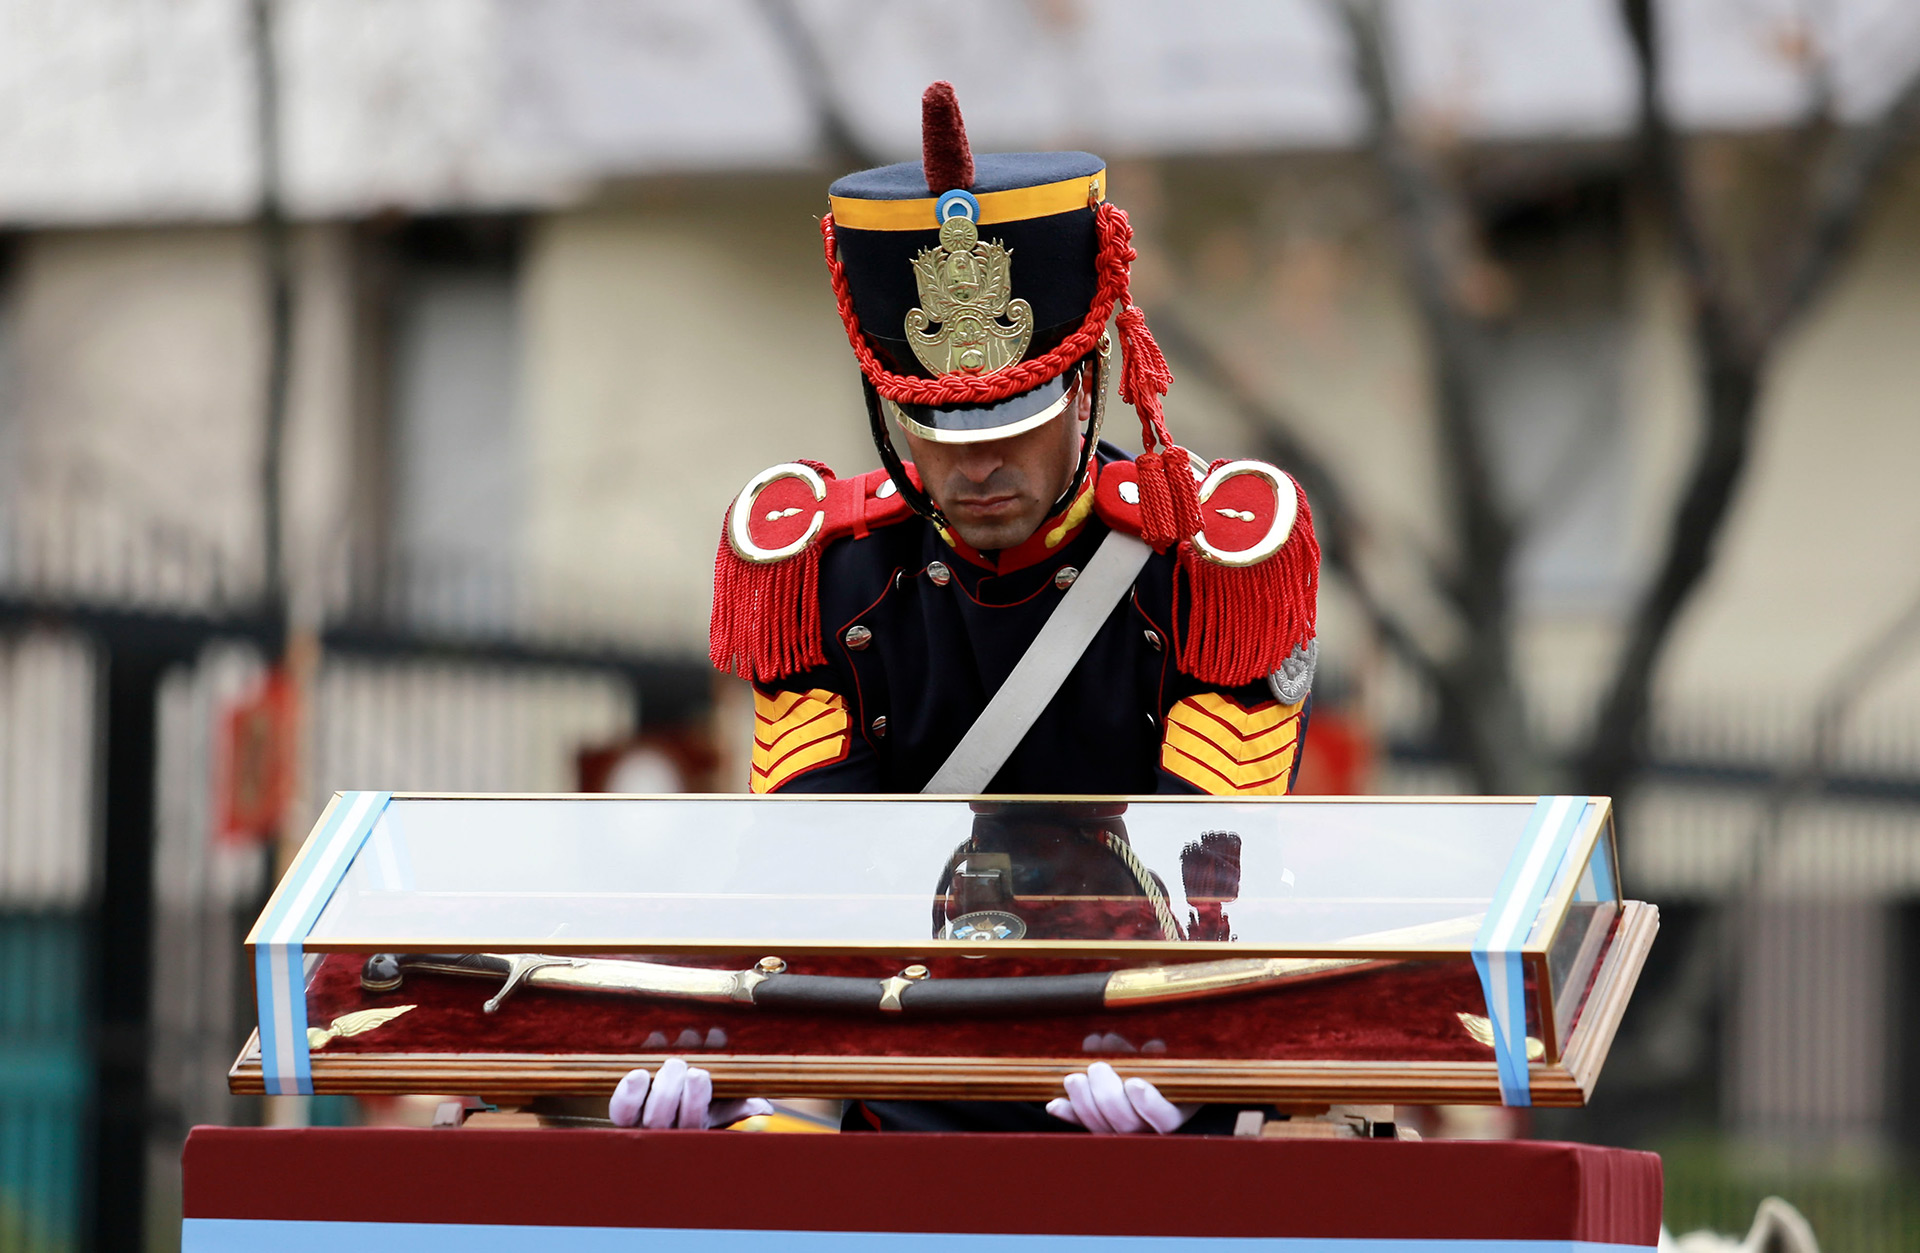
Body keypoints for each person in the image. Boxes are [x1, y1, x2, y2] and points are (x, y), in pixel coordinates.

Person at [614, 82, 1321, 1133]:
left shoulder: (1205, 566)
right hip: (901, 1083)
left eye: (1011, 422)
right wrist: (751, 1092)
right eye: (933, 431)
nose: (974, 463)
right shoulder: (828, 575)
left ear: (1085, 385)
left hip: (1156, 1078)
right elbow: (813, 892)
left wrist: (1184, 1072)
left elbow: (1218, 891)